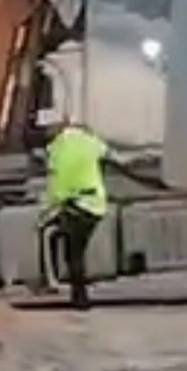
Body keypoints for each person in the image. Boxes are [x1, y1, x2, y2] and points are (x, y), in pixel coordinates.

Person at [41, 119, 109, 310]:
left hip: (74, 205)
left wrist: (49, 207)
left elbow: (56, 182)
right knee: (78, 249)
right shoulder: (90, 142)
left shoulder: (56, 149)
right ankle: (77, 293)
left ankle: (74, 294)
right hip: (95, 205)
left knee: (72, 253)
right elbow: (105, 154)